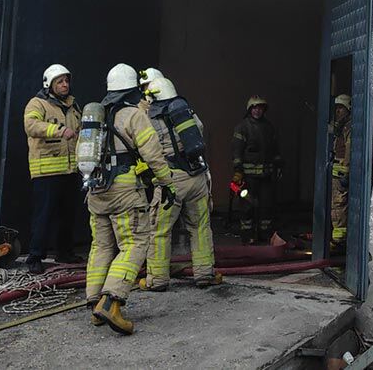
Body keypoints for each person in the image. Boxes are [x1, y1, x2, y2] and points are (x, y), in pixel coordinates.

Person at [85, 63, 176, 335]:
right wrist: (167, 183)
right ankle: (112, 301)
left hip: (96, 190)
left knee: (101, 246)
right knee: (135, 243)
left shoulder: (98, 116)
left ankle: (94, 302)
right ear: (132, 89)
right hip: (124, 192)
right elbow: (153, 154)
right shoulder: (133, 116)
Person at [141, 77, 222, 290]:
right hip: (197, 177)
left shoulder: (151, 117)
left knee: (160, 230)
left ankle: (157, 280)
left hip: (172, 180)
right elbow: (200, 130)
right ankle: (204, 274)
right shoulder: (185, 111)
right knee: (200, 228)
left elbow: (148, 148)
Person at [21, 63, 83, 274]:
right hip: (46, 171)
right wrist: (57, 130)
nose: (65, 85)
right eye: (60, 82)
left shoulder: (73, 106)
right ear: (49, 84)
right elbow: (31, 126)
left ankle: (64, 252)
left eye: (67, 81)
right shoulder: (37, 104)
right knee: (44, 216)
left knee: (68, 214)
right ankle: (35, 257)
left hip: (70, 170)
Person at [231, 96, 280, 244]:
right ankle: (247, 236)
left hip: (266, 176)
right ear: (249, 109)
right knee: (247, 206)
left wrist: (278, 166)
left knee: (266, 206)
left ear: (264, 110)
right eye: (254, 107)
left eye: (260, 108)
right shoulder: (242, 127)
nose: (257, 110)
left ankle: (265, 234)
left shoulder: (269, 127)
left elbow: (275, 150)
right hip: (248, 177)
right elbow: (236, 151)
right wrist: (238, 171)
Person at [329, 94, 353, 254]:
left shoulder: (349, 127)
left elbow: (349, 150)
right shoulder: (341, 126)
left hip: (342, 172)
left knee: (338, 206)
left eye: (341, 108)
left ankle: (339, 242)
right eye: (336, 108)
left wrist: (346, 170)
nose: (338, 111)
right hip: (337, 171)